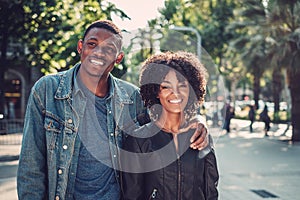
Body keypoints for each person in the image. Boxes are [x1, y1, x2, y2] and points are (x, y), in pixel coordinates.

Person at [17, 20, 209, 199]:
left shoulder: (131, 97)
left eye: (109, 49)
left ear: (118, 58)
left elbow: (166, 121)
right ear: (80, 47)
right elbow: (31, 166)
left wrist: (198, 121)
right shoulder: (48, 90)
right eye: (92, 44)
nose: (99, 53)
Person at [121, 51, 219, 200]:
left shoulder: (200, 137)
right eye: (166, 87)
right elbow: (131, 196)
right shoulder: (138, 141)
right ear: (156, 92)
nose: (176, 93)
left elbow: (210, 192)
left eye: (182, 86)